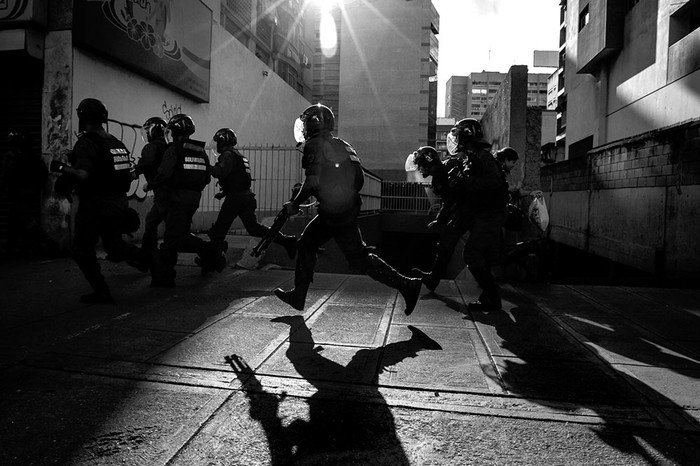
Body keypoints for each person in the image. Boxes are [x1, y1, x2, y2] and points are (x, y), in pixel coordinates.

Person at [274, 104, 421, 314]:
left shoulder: (315, 144)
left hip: (334, 211)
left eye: (307, 122)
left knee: (338, 252)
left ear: (314, 123)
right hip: (345, 207)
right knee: (320, 246)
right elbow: (352, 177)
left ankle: (407, 285)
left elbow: (313, 181)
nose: (304, 127)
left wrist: (295, 204)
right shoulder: (341, 144)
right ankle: (299, 294)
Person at [49, 98, 148, 303]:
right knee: (113, 245)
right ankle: (147, 260)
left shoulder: (87, 142)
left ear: (82, 117)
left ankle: (101, 290)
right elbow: (121, 171)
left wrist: (61, 167)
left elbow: (83, 174)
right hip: (119, 202)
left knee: (82, 248)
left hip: (96, 204)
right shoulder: (115, 142)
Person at [147, 114, 222, 287]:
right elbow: (206, 178)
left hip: (177, 199)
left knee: (173, 238)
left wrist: (150, 185)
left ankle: (210, 250)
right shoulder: (199, 149)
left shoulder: (174, 149)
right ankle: (167, 275)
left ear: (173, 131)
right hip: (194, 199)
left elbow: (164, 173)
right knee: (178, 234)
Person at [207, 128, 296, 259]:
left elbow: (220, 172)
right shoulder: (239, 156)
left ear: (222, 143)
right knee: (253, 228)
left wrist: (205, 165)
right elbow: (238, 179)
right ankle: (286, 241)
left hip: (236, 199)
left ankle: (212, 258)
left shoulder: (228, 155)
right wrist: (224, 192)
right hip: (247, 197)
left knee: (219, 230)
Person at [448, 118, 509, 311]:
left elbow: (492, 182)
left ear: (465, 137)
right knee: (482, 255)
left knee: (472, 253)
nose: (455, 139)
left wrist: (466, 181)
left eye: (458, 135)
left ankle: (492, 298)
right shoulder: (473, 157)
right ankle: (489, 297)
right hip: (485, 213)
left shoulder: (483, 157)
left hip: (491, 213)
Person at [410, 146, 473, 292]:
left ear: (427, 162)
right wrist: (440, 220)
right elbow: (449, 201)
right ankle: (433, 278)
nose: (419, 168)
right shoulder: (443, 171)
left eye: (420, 164)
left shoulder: (447, 169)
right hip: (467, 210)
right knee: (446, 243)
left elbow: (452, 199)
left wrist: (441, 219)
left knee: (453, 245)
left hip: (470, 210)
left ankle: (433, 278)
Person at [1, 131, 56, 257]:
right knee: (16, 222)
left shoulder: (17, 158)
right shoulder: (32, 158)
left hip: (21, 195)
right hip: (25, 194)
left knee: (24, 222)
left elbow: (7, 176)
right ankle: (12, 250)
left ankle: (50, 245)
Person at [134, 117, 168, 253]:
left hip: (163, 193)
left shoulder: (152, 147)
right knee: (153, 221)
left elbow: (145, 164)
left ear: (153, 130)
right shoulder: (168, 147)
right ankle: (150, 253)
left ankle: (148, 254)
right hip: (169, 192)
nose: (147, 133)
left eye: (148, 130)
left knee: (154, 222)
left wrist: (131, 174)